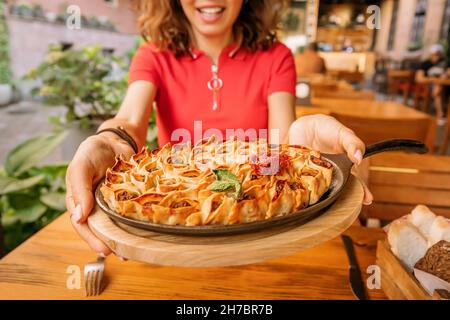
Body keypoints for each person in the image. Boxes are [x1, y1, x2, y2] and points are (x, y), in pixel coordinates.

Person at [66, 0, 372, 256]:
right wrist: (106, 142)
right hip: (171, 248)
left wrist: (306, 150)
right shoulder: (153, 56)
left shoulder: (276, 57)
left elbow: (283, 146)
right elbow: (129, 122)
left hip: (261, 245)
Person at [416, 44, 449, 125]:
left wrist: (446, 75)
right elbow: (419, 78)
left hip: (446, 85)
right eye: (434, 54)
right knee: (438, 87)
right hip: (430, 86)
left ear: (441, 54)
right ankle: (440, 114)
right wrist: (433, 79)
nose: (435, 56)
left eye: (438, 54)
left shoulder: (446, 62)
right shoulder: (425, 64)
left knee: (439, 86)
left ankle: (440, 114)